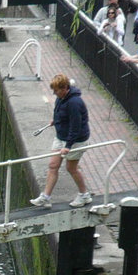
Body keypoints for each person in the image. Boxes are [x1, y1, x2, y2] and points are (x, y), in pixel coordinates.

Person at [30, 73, 92, 208]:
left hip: (76, 140)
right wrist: (56, 120)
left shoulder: (74, 103)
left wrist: (68, 146)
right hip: (61, 136)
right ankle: (45, 197)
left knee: (71, 168)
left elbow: (76, 126)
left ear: (65, 88)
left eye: (56, 90)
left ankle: (84, 195)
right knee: (53, 165)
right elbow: (58, 110)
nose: (54, 93)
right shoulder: (61, 97)